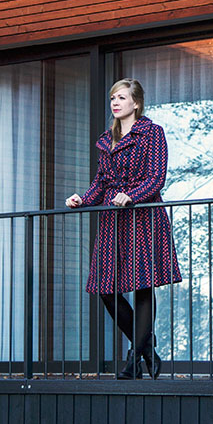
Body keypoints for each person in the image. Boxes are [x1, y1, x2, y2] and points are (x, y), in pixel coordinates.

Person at [65, 78, 182, 379]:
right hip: (112, 219)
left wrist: (132, 195)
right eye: (112, 98)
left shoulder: (152, 133)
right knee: (106, 289)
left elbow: (157, 178)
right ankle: (145, 348)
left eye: (121, 97)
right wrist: (82, 198)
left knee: (144, 285)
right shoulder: (108, 139)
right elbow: (100, 182)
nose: (115, 102)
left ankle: (133, 362)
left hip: (142, 215)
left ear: (136, 103)